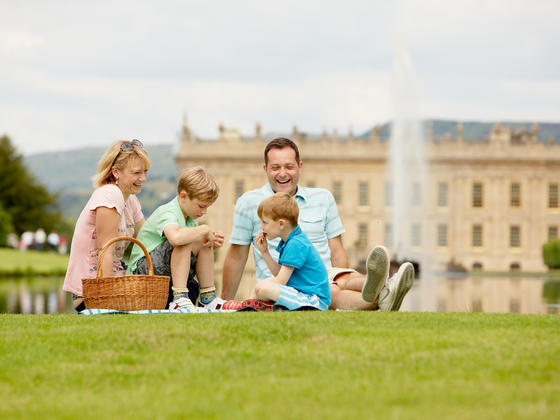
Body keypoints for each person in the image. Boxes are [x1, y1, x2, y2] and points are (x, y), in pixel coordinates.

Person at [222, 137, 415, 311]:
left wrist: (339, 275)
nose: (282, 173)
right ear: (265, 169)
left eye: (289, 166)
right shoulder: (248, 203)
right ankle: (385, 292)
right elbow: (237, 256)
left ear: (300, 166)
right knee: (331, 291)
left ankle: (384, 286)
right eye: (275, 168)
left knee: (343, 279)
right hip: (291, 283)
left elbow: (336, 249)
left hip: (324, 272)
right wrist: (224, 302)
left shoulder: (323, 198)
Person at [63, 139, 150, 312]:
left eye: (145, 171)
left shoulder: (130, 198)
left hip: (117, 283)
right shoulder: (110, 194)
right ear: (116, 172)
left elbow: (148, 236)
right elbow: (106, 250)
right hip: (93, 293)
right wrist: (107, 300)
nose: (143, 178)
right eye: (137, 173)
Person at [128, 167, 225, 311]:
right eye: (201, 206)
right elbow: (175, 238)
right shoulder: (168, 212)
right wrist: (204, 229)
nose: (204, 212)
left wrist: (209, 243)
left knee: (200, 238)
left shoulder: (190, 218)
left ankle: (208, 298)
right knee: (186, 237)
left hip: (164, 269)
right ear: (184, 196)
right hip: (143, 271)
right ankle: (179, 299)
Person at [251, 192, 330, 310]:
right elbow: (280, 274)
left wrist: (261, 288)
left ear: (281, 224)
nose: (262, 227)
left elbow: (280, 281)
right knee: (260, 287)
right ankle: (253, 307)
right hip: (302, 294)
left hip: (313, 300)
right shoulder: (290, 240)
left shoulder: (296, 244)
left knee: (263, 288)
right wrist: (265, 252)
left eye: (265, 222)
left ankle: (261, 307)